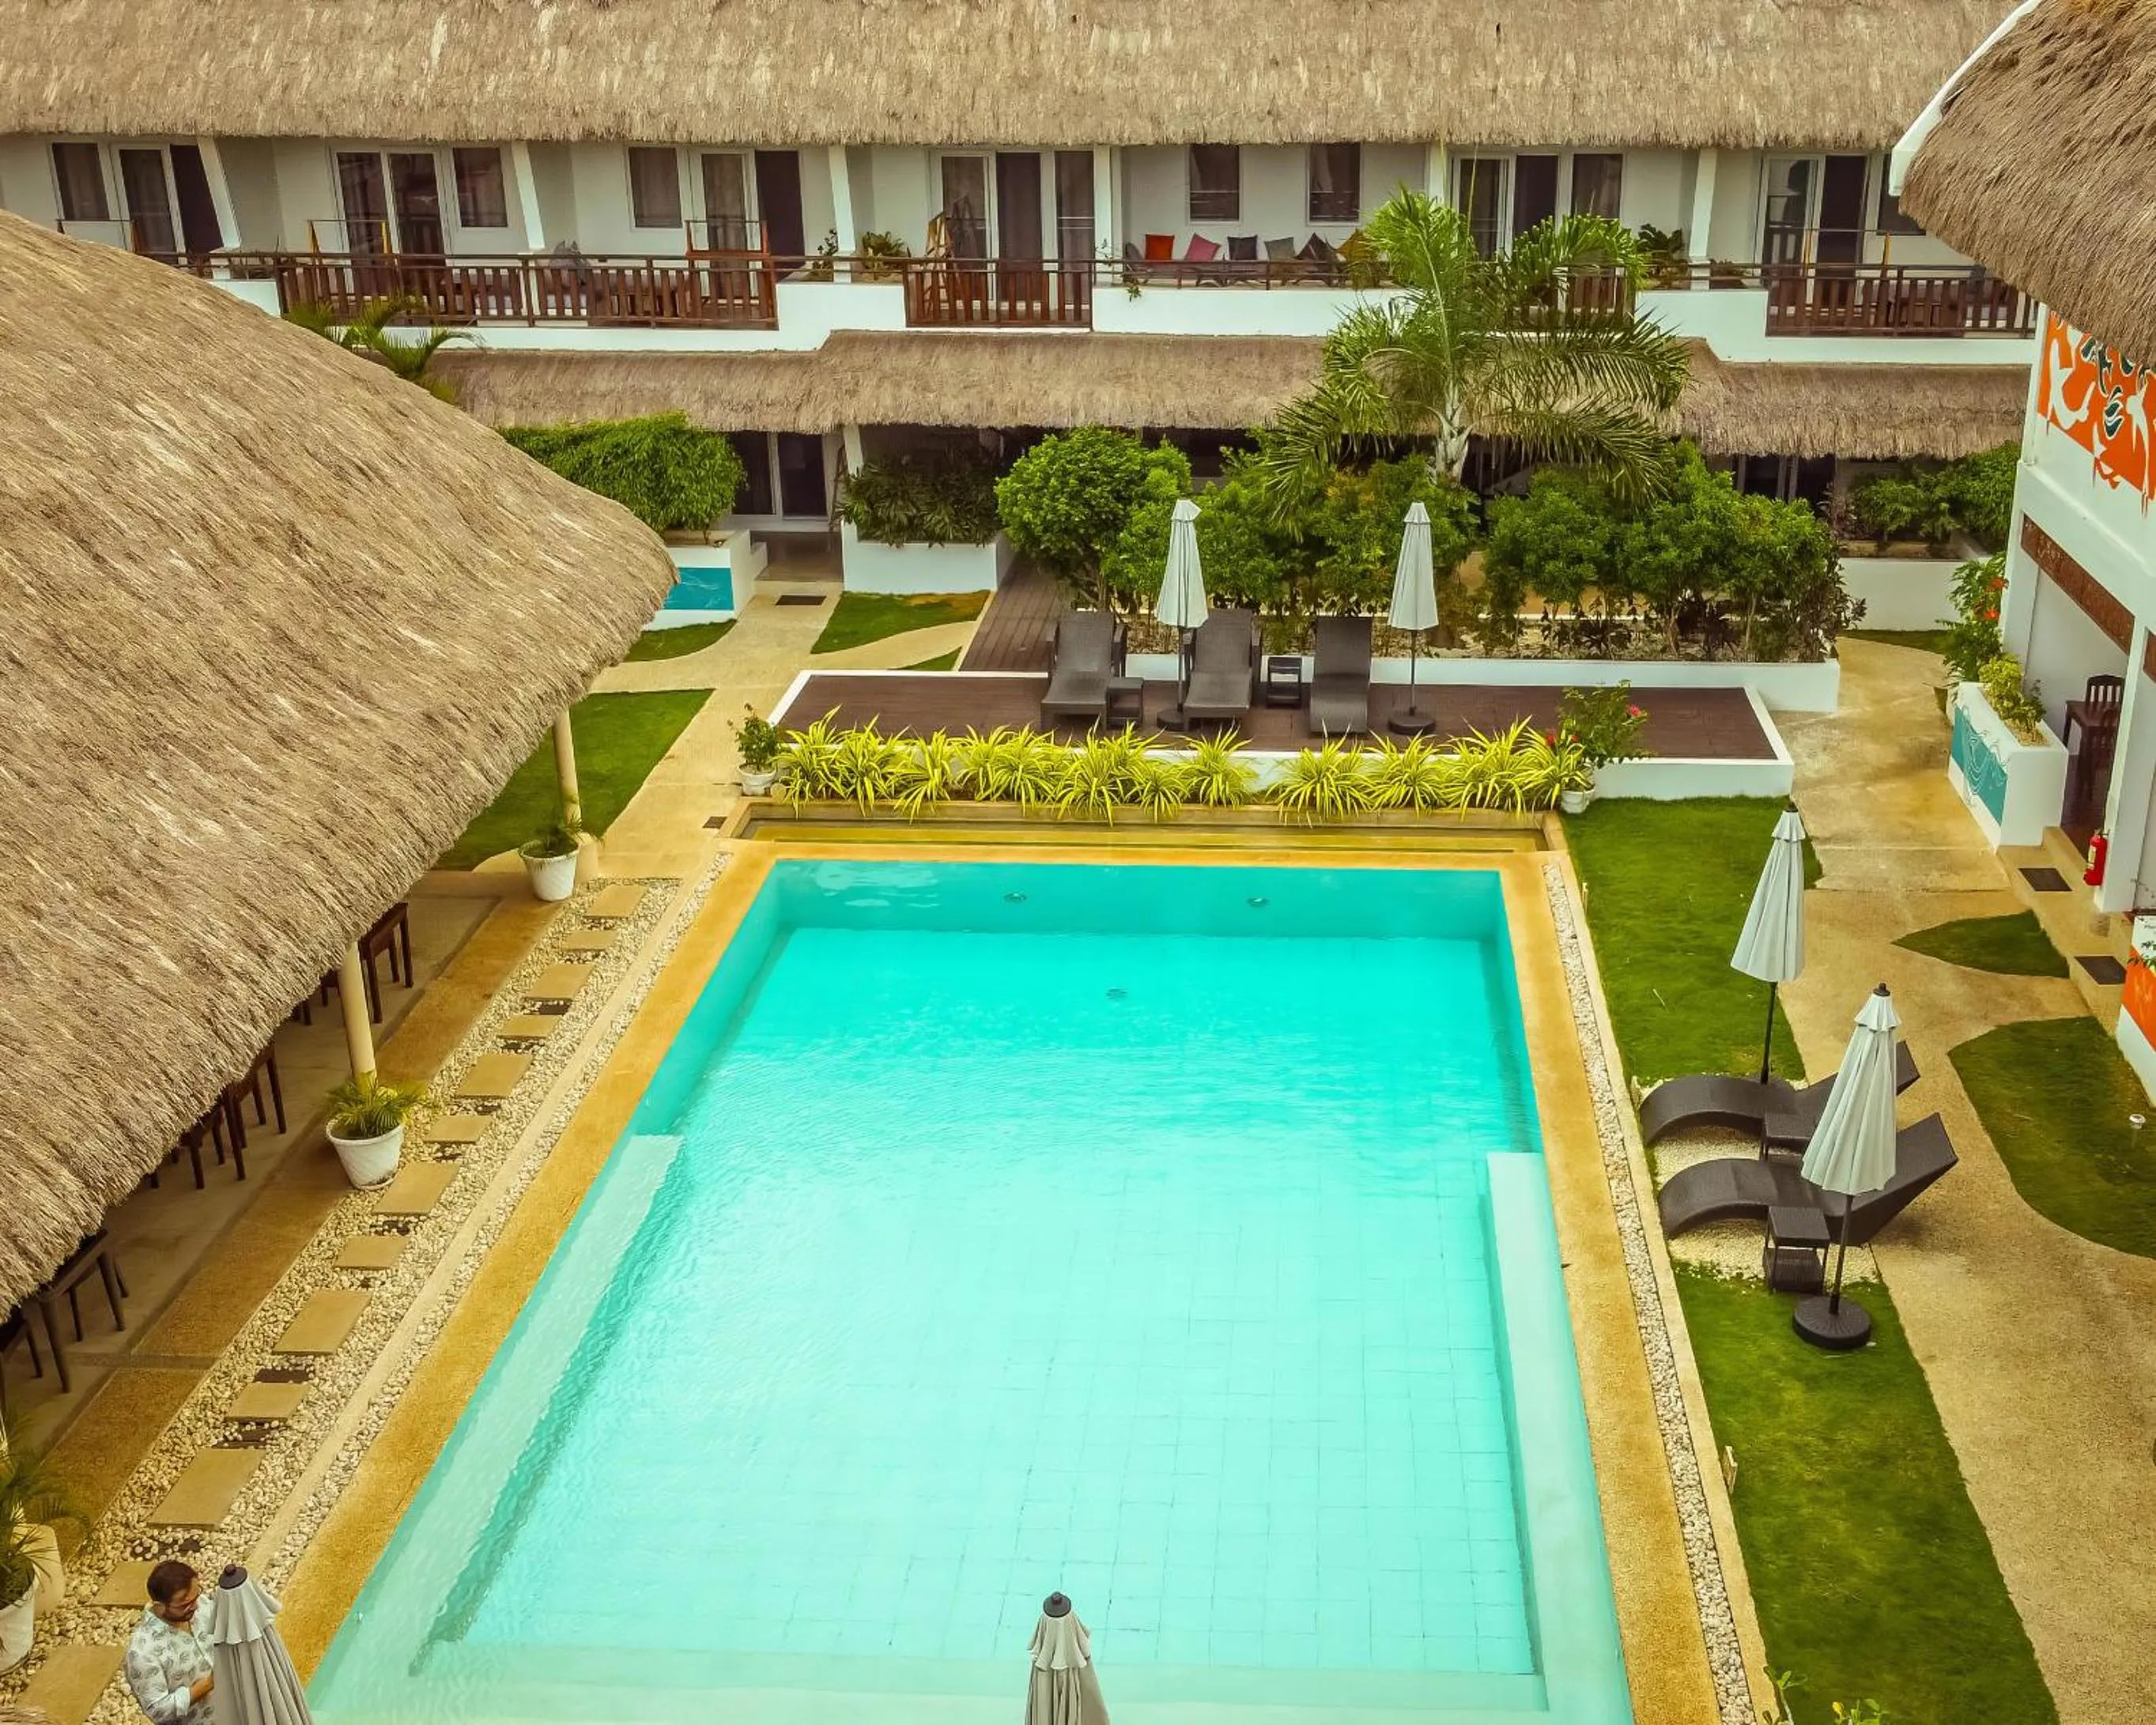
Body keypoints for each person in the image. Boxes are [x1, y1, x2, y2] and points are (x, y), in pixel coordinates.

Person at [124, 1560, 215, 1725]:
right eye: (185, 1604)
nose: (195, 1606)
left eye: (197, 1595)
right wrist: (208, 1684)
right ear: (159, 1607)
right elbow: (157, 1710)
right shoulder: (142, 1652)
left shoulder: (201, 1605)